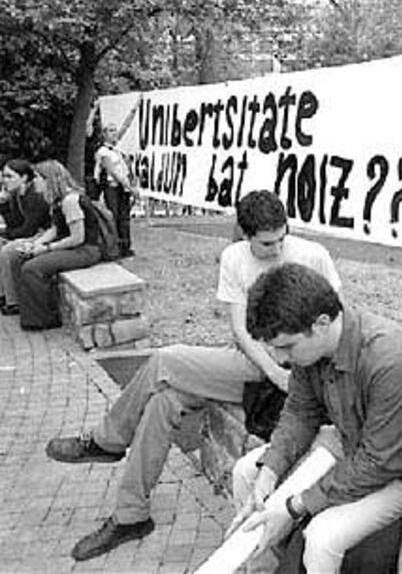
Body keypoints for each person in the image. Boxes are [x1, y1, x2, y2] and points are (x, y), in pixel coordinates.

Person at [45, 190, 342, 562]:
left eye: (283, 237)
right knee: (163, 400)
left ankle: (107, 440)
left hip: (296, 366)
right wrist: (270, 369)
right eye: (267, 243)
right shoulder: (234, 258)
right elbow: (240, 330)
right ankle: (130, 514)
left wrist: (285, 374)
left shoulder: (314, 255)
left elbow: (333, 323)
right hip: (256, 361)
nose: (278, 248)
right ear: (245, 235)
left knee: (165, 361)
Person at [230, 262, 402, 574]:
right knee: (246, 472)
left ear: (321, 323)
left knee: (322, 537)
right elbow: (300, 413)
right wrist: (269, 475)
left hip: (399, 470)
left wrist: (294, 505)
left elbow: (381, 464)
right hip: (357, 447)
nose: (279, 359)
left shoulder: (392, 359)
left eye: (286, 346)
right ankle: (265, 565)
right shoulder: (309, 350)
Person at [11, 159, 102, 330]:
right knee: (19, 257)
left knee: (32, 268)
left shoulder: (70, 201)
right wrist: (35, 244)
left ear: (50, 179)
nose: (35, 182)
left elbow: (77, 238)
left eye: (38, 178)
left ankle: (44, 318)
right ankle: (25, 310)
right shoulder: (57, 200)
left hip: (85, 250)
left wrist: (45, 249)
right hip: (71, 247)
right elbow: (55, 229)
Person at [0, 159, 50, 315]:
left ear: (24, 178)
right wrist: (3, 202)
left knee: (8, 252)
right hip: (30, 233)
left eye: (9, 176)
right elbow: (14, 223)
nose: (4, 180)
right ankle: (3, 294)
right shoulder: (17, 195)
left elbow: (28, 229)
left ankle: (14, 301)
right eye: (3, 176)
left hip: (44, 235)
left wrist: (7, 235)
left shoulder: (36, 196)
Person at [93, 123, 137, 258]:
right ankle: (114, 248)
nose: (114, 133)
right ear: (104, 134)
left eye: (115, 130)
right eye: (111, 130)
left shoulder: (117, 150)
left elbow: (125, 127)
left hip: (122, 188)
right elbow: (112, 172)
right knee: (114, 216)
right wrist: (131, 188)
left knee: (124, 217)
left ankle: (125, 246)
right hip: (111, 187)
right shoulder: (102, 151)